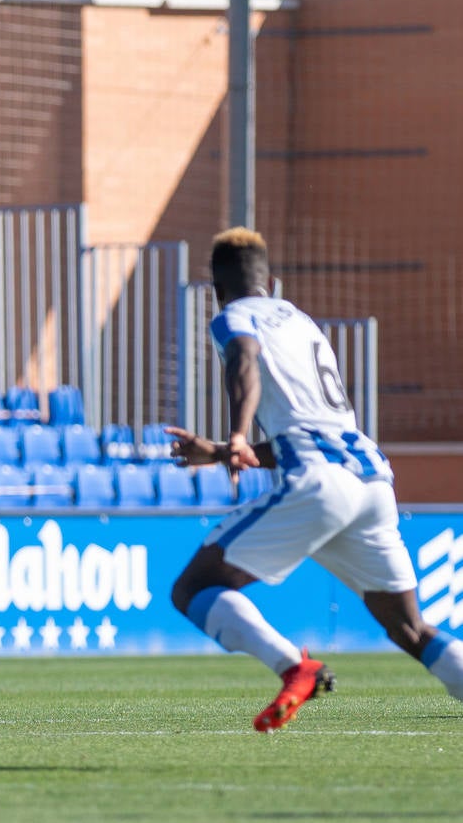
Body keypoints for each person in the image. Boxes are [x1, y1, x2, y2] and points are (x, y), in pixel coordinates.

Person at [167, 226, 463, 731]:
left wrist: (236, 433)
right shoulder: (302, 323)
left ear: (216, 289)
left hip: (321, 482)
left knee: (193, 588)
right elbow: (305, 427)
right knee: (410, 628)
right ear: (273, 281)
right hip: (371, 480)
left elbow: (244, 362)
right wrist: (221, 451)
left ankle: (294, 668)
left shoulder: (234, 318)